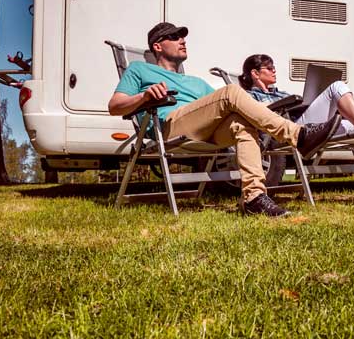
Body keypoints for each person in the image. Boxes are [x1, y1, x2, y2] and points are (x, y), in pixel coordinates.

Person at [108, 23, 340, 217]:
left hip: (205, 130)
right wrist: (144, 96)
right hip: (169, 124)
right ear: (157, 46)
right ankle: (299, 135)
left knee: (242, 123)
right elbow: (114, 106)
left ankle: (254, 198)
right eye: (174, 37)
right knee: (231, 92)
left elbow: (230, 104)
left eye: (183, 37)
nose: (182, 40)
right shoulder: (140, 69)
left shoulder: (195, 82)